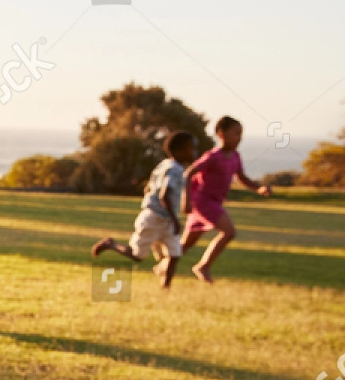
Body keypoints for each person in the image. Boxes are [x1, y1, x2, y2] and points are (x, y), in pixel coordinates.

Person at [92, 130, 196, 288]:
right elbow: (164, 195)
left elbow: (148, 187)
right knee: (137, 255)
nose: (194, 152)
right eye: (191, 148)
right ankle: (111, 244)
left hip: (165, 219)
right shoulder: (175, 170)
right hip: (155, 218)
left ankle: (165, 287)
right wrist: (175, 220)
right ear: (179, 151)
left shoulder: (164, 164)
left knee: (175, 253)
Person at [183, 116, 271, 284]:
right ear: (221, 134)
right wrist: (186, 200)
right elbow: (189, 173)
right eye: (236, 133)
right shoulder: (213, 156)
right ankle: (203, 266)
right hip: (203, 201)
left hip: (215, 202)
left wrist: (258, 188)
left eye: (241, 134)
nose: (239, 138)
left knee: (186, 244)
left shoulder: (235, 156)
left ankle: (163, 266)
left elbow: (241, 177)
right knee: (229, 232)